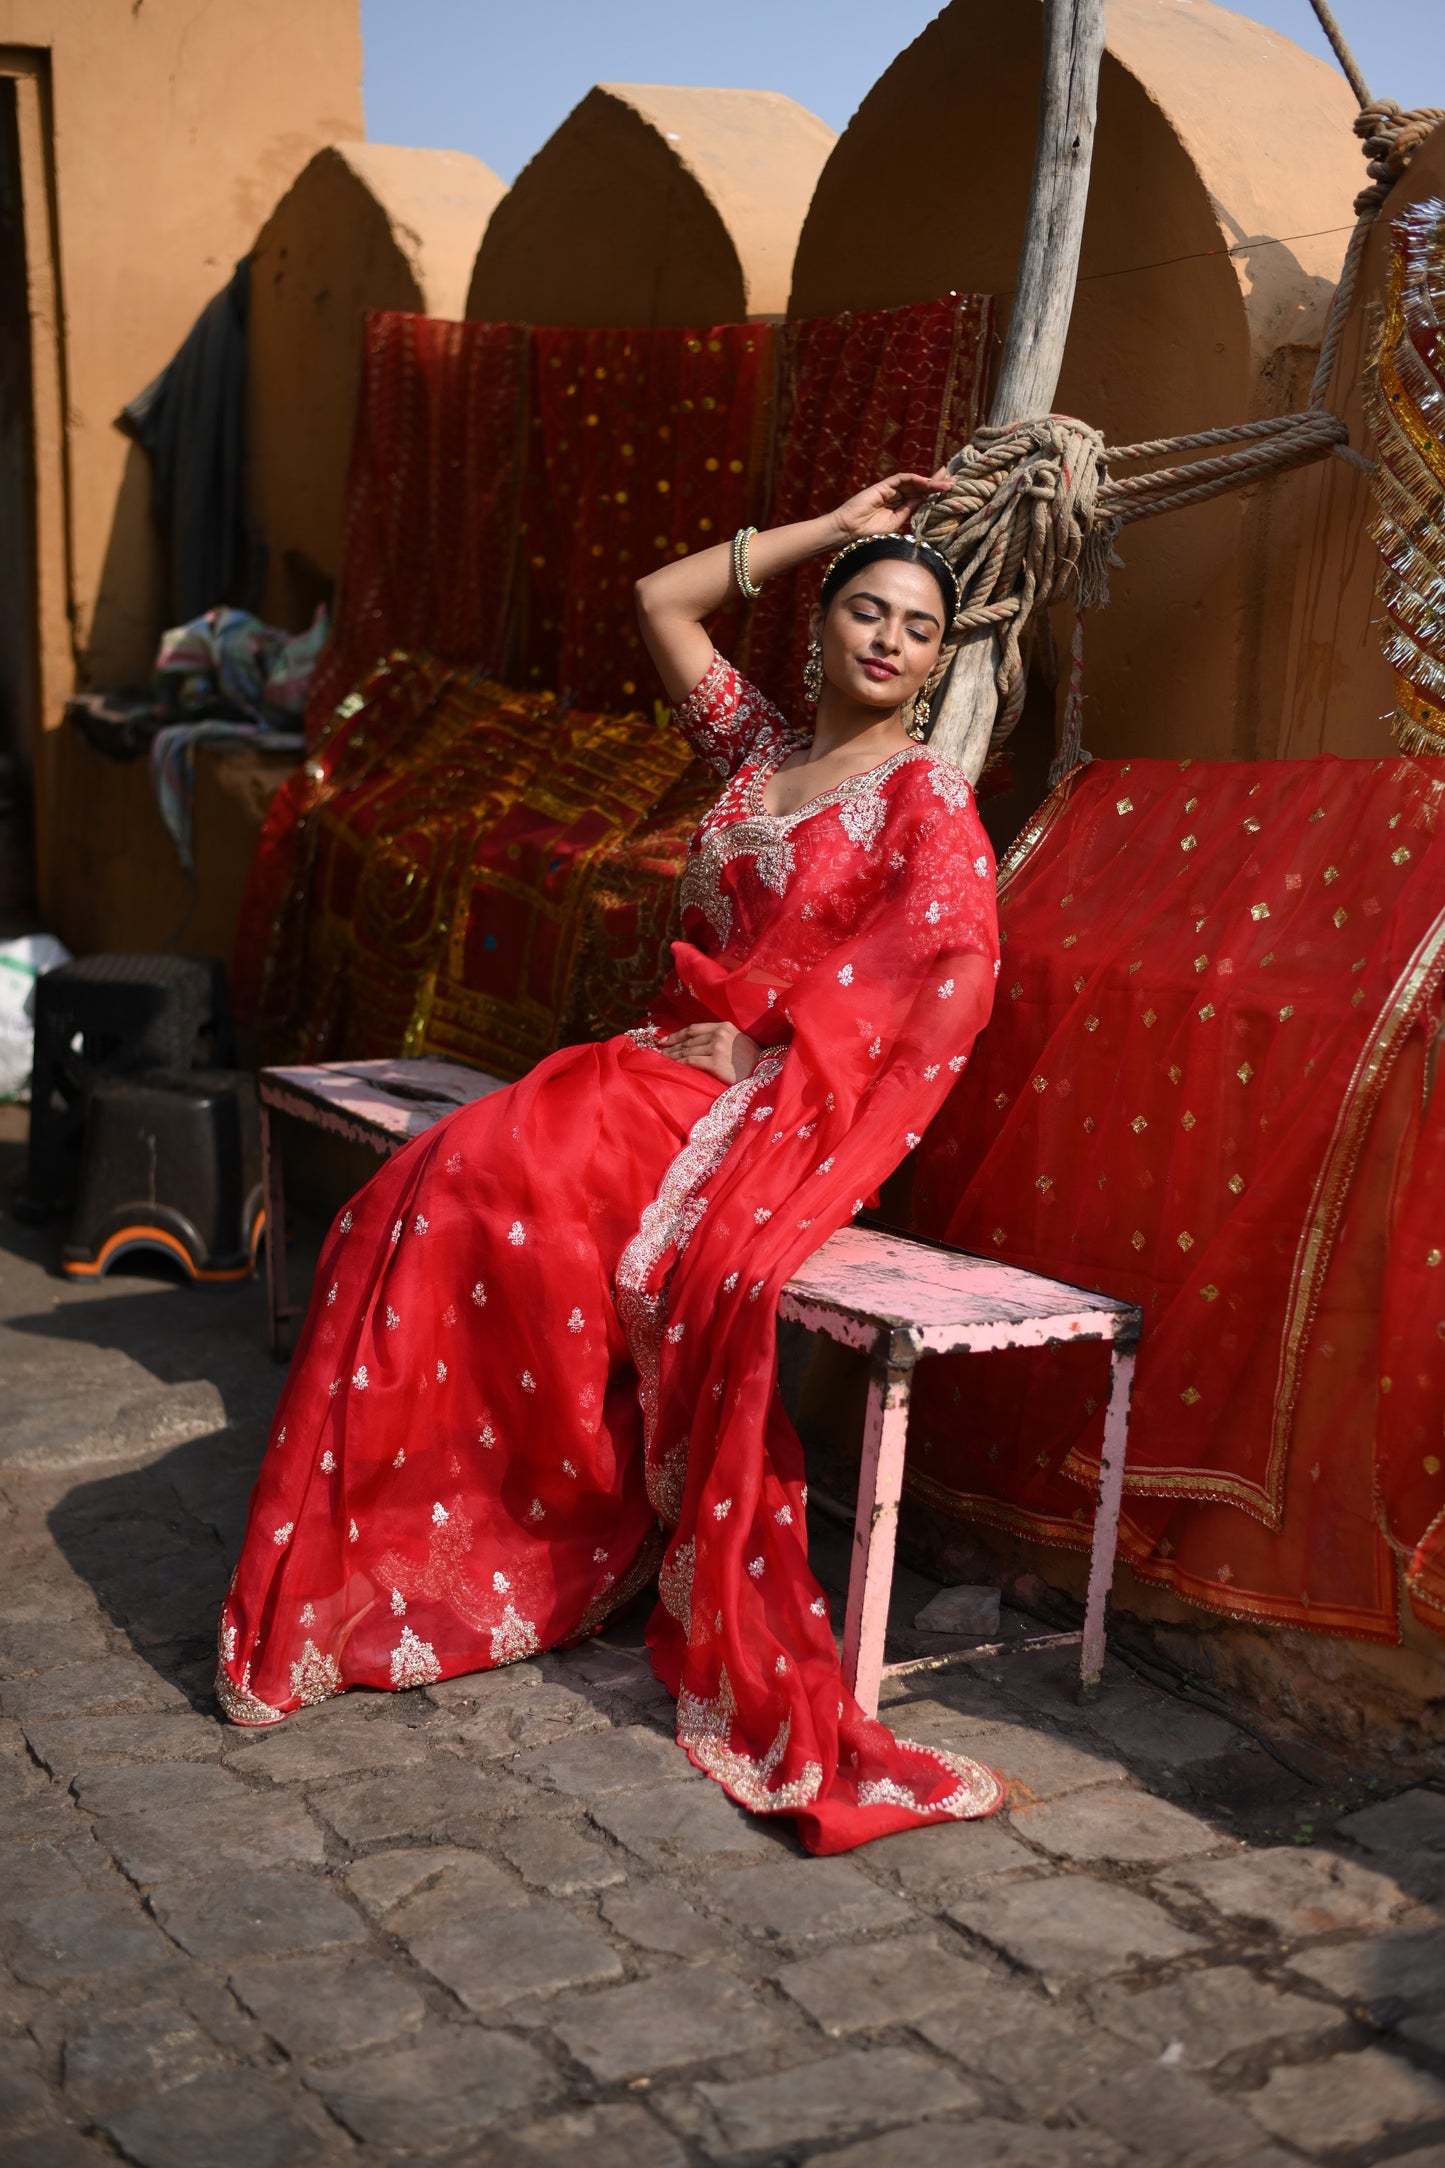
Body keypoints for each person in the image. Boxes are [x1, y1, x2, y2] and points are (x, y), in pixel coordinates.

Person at [218, 472, 1005, 1853]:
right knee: (417, 1194)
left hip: (756, 1117)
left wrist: (771, 1053)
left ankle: (492, 1545)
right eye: (865, 611)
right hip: (643, 1074)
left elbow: (946, 970)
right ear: (817, 625)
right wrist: (834, 524)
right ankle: (382, 1561)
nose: (886, 639)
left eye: (918, 629)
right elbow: (661, 599)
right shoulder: (758, 755)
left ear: (938, 663)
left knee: (476, 1186)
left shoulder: (919, 794)